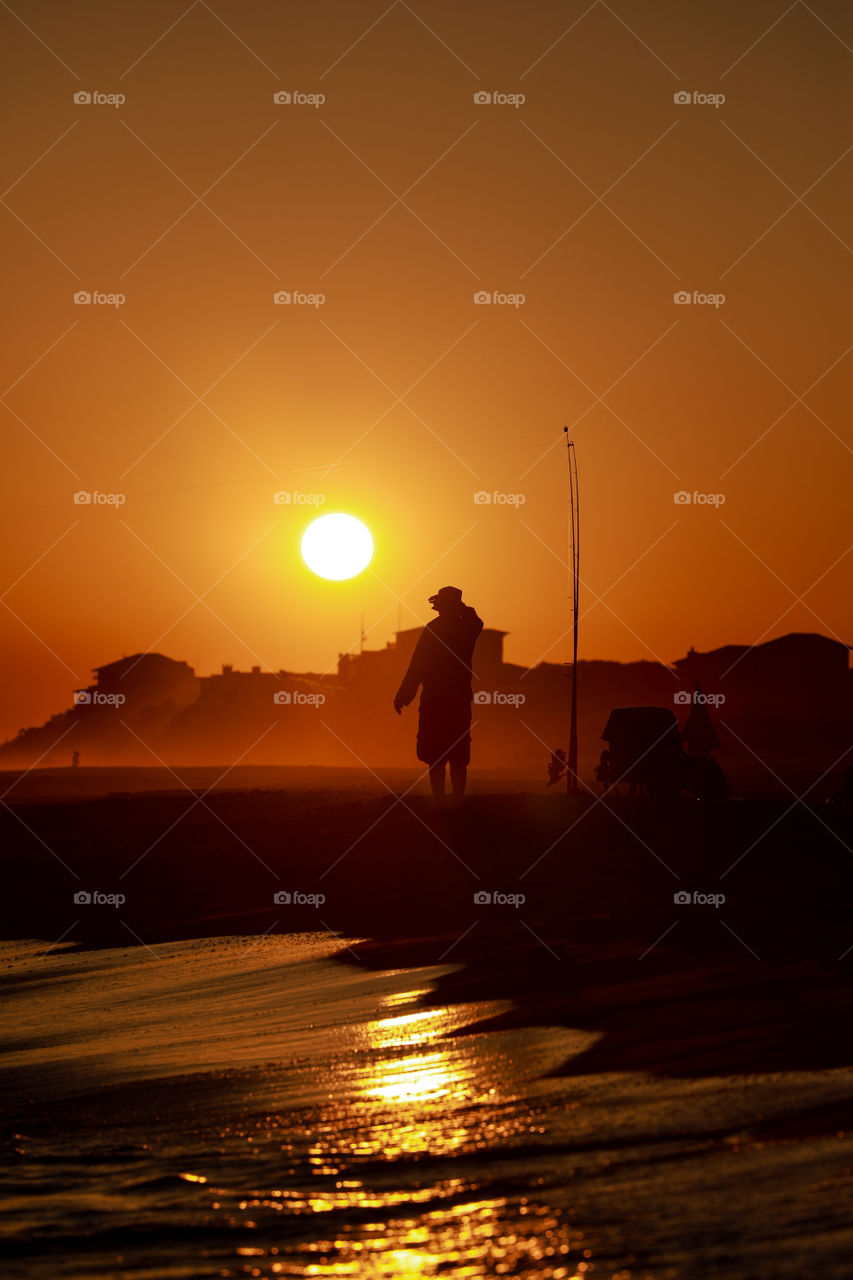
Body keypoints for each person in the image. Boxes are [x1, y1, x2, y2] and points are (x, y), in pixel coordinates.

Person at [394, 586, 483, 808]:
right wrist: (462, 607)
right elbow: (477, 622)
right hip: (457, 700)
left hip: (435, 700)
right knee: (457, 753)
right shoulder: (466, 629)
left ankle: (440, 800)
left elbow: (417, 666)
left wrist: (405, 694)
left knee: (437, 754)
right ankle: (457, 800)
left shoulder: (434, 629)